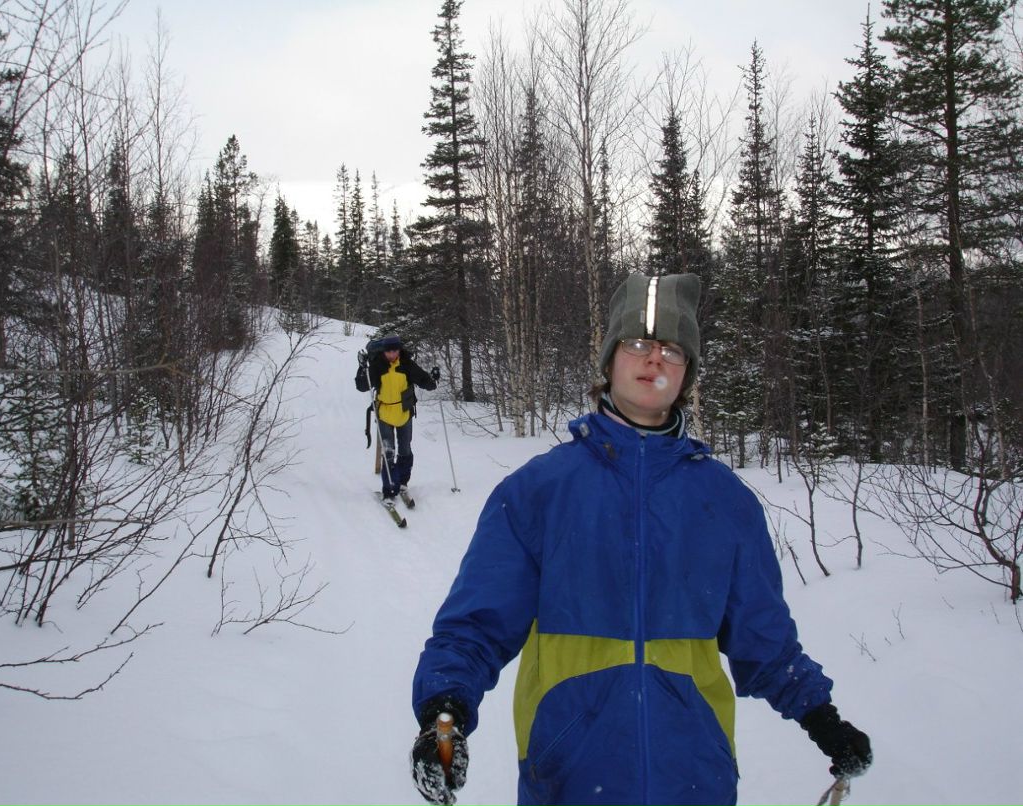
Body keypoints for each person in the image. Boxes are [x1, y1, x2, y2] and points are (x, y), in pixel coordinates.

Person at [408, 273, 872, 806]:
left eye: (672, 350)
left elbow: (765, 640)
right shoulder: (540, 491)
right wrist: (443, 711)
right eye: (637, 343)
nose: (654, 358)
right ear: (609, 360)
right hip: (568, 775)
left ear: (686, 374)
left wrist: (823, 718)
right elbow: (475, 626)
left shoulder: (725, 501)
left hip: (694, 777)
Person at [355, 333, 439, 503]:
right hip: (385, 414)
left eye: (395, 351)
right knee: (388, 452)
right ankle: (389, 489)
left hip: (404, 413)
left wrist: (433, 379)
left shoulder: (407, 364)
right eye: (389, 351)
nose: (392, 354)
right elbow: (362, 385)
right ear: (384, 351)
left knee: (405, 450)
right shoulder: (378, 365)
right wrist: (362, 367)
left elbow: (424, 381)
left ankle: (402, 483)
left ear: (399, 350)